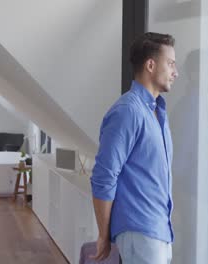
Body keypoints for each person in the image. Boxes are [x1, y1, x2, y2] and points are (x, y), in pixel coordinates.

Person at [90, 32, 178, 264]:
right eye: (170, 64)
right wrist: (103, 234)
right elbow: (103, 176)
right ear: (151, 65)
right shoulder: (128, 111)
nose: (175, 72)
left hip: (159, 231)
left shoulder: (157, 112)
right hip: (141, 232)